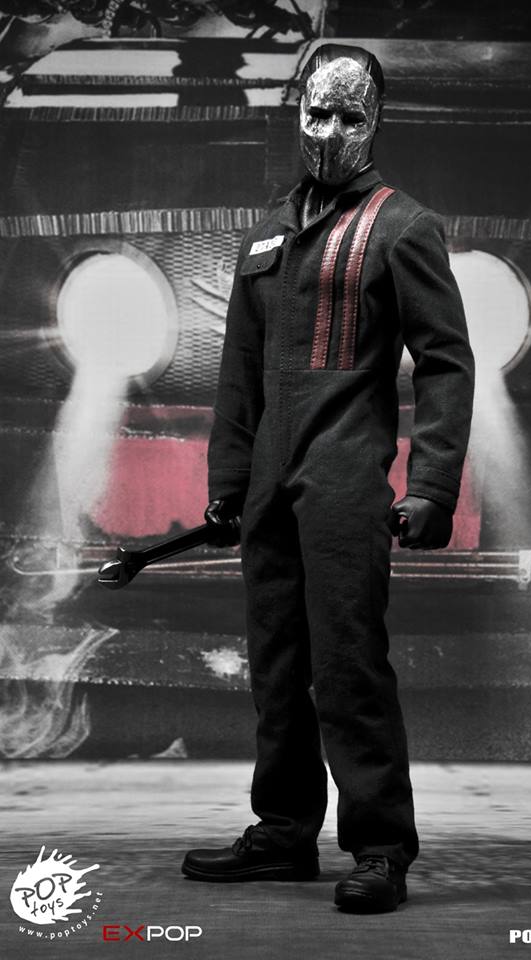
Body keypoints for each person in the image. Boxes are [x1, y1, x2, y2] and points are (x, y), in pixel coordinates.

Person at [182, 42, 475, 913]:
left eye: (350, 116)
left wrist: (431, 484)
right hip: (269, 480)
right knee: (276, 665)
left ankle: (379, 846)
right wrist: (228, 481)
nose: (330, 132)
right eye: (317, 112)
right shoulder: (266, 232)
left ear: (374, 121)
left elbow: (446, 363)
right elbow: (238, 371)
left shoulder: (403, 226)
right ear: (295, 113)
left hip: (345, 475)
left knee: (347, 665)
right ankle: (282, 832)